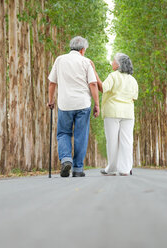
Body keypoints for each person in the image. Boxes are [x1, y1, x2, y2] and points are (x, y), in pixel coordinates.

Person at [48, 36, 100, 177]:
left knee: (63, 133)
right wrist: (97, 104)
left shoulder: (59, 60)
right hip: (83, 104)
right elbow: (93, 84)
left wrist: (50, 100)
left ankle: (65, 159)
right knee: (80, 135)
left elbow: (52, 82)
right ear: (83, 50)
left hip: (65, 104)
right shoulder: (86, 62)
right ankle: (77, 169)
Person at [92, 53, 138, 176]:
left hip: (112, 112)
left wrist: (94, 72)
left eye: (113, 61)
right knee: (127, 141)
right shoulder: (133, 80)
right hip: (128, 113)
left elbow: (103, 88)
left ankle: (111, 168)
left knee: (112, 141)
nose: (112, 63)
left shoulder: (113, 76)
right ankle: (125, 169)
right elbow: (134, 98)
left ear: (118, 65)